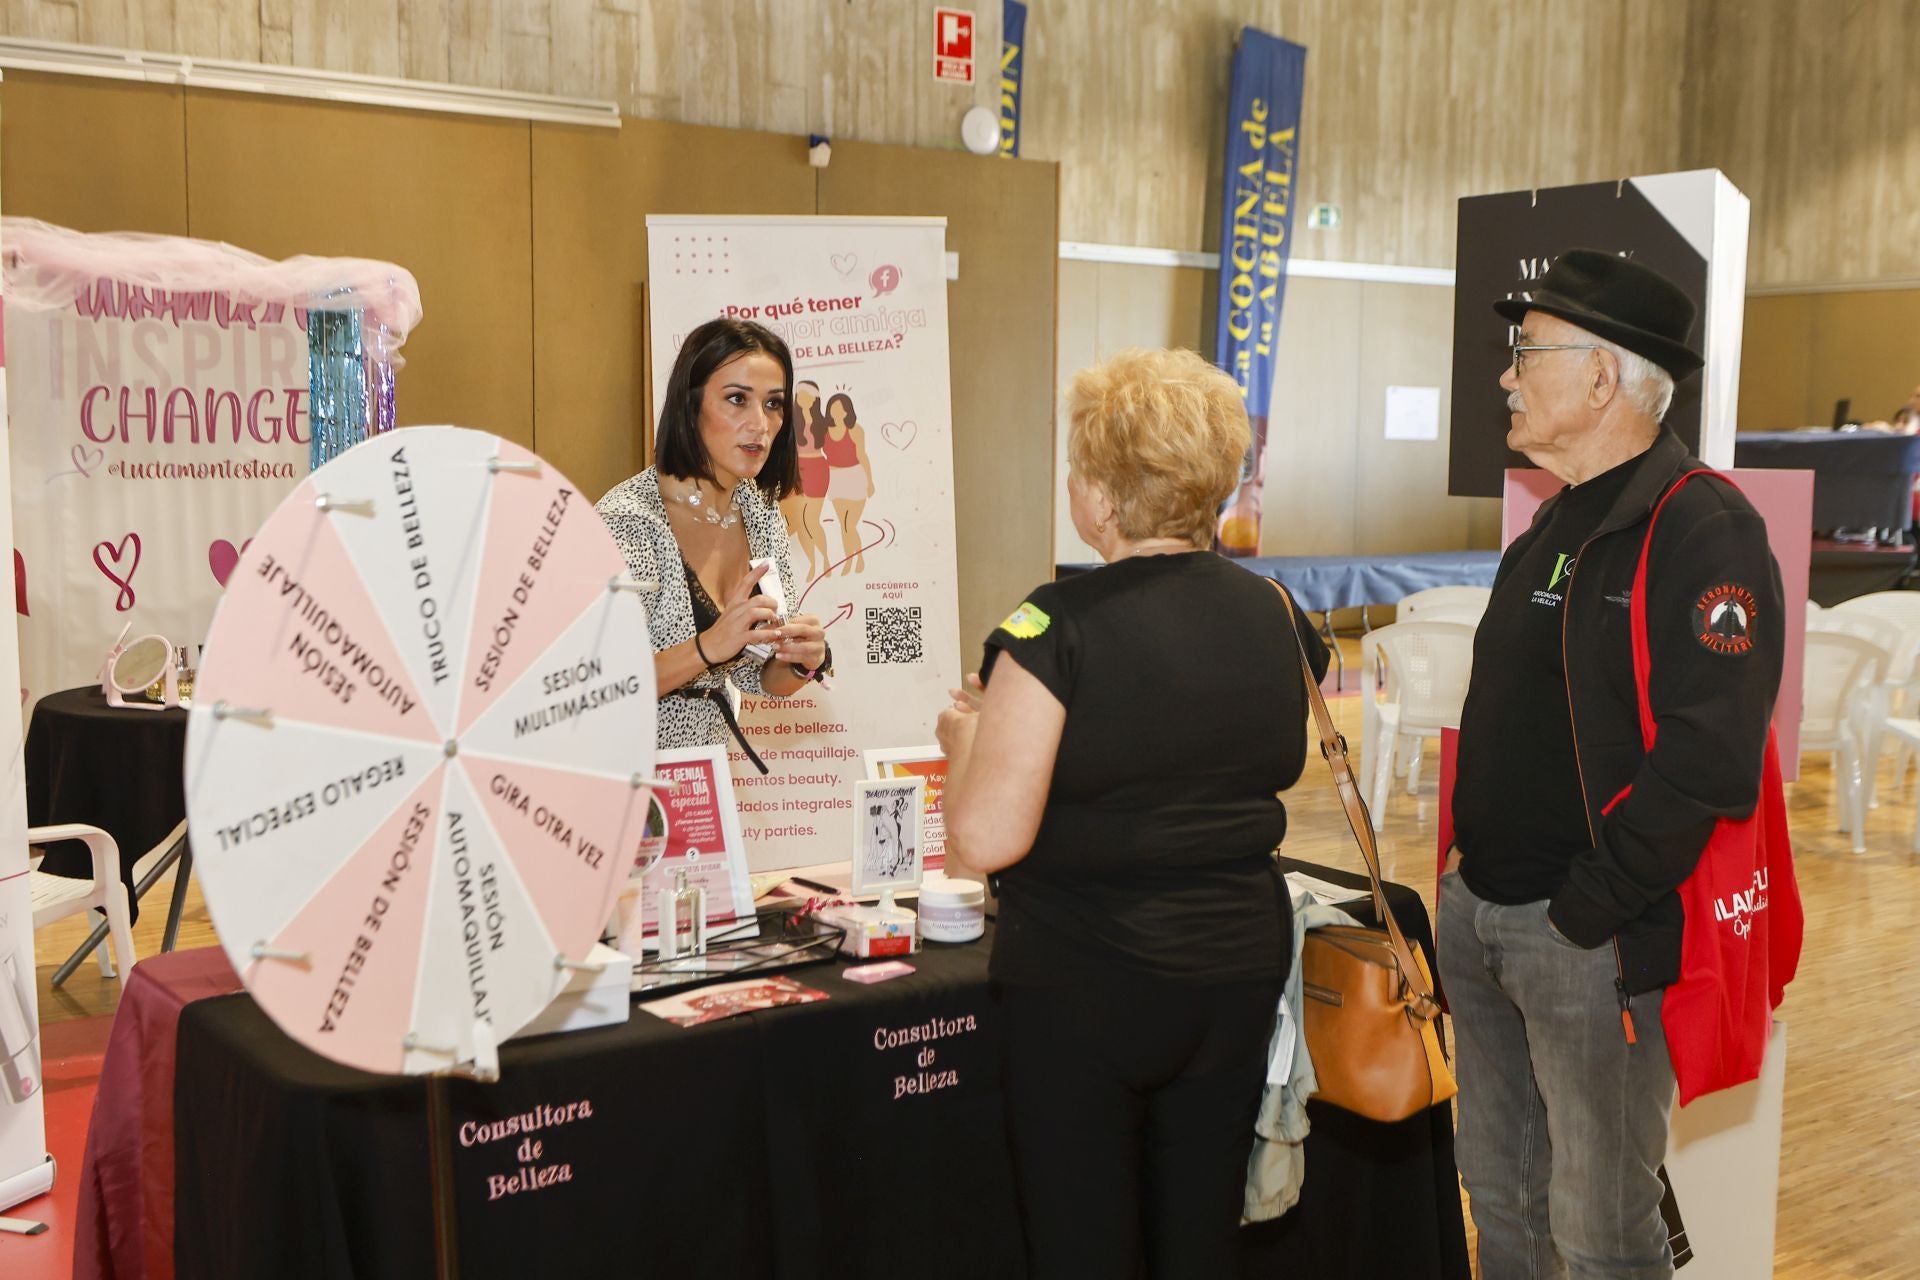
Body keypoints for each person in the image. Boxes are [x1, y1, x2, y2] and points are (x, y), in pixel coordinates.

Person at [935, 347, 1327, 1279]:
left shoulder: (1049, 626)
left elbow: (986, 839)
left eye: (1077, 469)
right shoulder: (1277, 611)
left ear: (1104, 499)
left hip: (1087, 980)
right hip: (1235, 967)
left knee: (1083, 1241)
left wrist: (964, 745)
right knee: (1199, 1234)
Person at [1442, 249, 1785, 1280]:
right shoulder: (1553, 518)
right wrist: (1464, 878)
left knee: (1600, 1233)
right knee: (1500, 1199)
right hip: (1484, 915)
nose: (1505, 374)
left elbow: (1711, 753)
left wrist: (1591, 906)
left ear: (1603, 377)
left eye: (1526, 351)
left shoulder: (1701, 525)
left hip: (1588, 938)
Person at [597, 317, 831, 767]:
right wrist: (707, 647)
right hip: (620, 786)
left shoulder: (761, 515)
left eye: (774, 404)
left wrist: (803, 660)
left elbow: (762, 678)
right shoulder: (627, 521)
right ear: (690, 405)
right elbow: (598, 689)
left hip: (706, 786)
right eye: (737, 400)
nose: (760, 424)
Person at [780, 379, 831, 579]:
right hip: (794, 472)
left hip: (817, 469)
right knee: (790, 524)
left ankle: (823, 559)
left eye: (809, 396)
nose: (804, 400)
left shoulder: (822, 422)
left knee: (811, 521)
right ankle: (801, 565)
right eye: (801, 395)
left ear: (815, 399)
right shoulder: (786, 420)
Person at [822, 392, 875, 575]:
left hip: (855, 478)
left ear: (847, 411)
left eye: (840, 408)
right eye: (833, 408)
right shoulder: (825, 431)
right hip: (835, 480)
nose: (837, 412)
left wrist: (870, 481)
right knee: (843, 525)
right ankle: (850, 560)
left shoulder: (855, 430)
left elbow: (862, 456)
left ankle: (857, 558)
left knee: (848, 525)